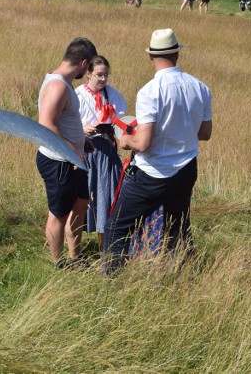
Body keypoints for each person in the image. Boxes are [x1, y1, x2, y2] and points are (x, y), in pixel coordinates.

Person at [103, 28, 212, 274]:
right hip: (186, 170)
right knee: (177, 227)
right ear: (177, 54)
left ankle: (112, 283)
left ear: (151, 57)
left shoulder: (150, 92)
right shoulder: (201, 87)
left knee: (117, 227)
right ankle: (184, 277)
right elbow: (205, 133)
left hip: (152, 173)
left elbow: (143, 143)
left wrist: (126, 141)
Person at [36, 38, 98, 269]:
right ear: (83, 63)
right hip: (60, 161)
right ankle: (58, 264)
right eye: (89, 66)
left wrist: (84, 142)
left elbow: (63, 122)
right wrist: (74, 151)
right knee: (58, 214)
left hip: (73, 159)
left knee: (81, 203)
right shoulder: (58, 85)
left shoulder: (63, 83)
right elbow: (46, 124)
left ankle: (76, 256)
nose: (89, 70)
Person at [75, 56, 126, 252]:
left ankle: (107, 249)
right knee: (81, 201)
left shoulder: (113, 95)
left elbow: (121, 123)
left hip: (106, 152)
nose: (103, 79)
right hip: (84, 150)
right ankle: (75, 252)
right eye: (99, 75)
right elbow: (68, 123)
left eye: (106, 75)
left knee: (107, 199)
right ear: (88, 73)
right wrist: (82, 129)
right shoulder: (77, 96)